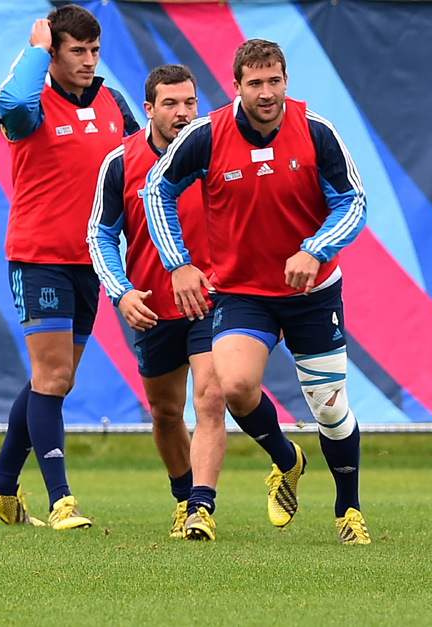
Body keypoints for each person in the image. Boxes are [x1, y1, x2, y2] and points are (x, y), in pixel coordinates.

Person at [143, 39, 371, 545]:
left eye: (274, 81)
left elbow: (354, 202)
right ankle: (288, 461)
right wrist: (178, 264)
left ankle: (348, 510)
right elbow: (155, 189)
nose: (266, 93)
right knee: (236, 387)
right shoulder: (206, 135)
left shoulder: (317, 132)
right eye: (255, 83)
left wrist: (315, 248)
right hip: (243, 293)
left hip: (312, 292)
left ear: (286, 81)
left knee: (330, 411)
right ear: (237, 86)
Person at [0, 6, 140, 531]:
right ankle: (61, 501)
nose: (90, 61)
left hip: (91, 262)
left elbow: (140, 168)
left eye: (95, 51)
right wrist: (34, 46)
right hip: (38, 257)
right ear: (52, 52)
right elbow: (13, 100)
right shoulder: (30, 106)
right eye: (77, 51)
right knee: (52, 376)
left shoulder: (113, 102)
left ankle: (0, 485)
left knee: (56, 381)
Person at [87, 65, 227, 541]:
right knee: (166, 413)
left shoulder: (214, 150)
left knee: (210, 399)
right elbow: (100, 236)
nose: (183, 113)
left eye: (190, 102)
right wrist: (122, 292)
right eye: (171, 104)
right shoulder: (120, 162)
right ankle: (183, 496)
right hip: (151, 307)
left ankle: (201, 508)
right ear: (148, 109)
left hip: (211, 302)